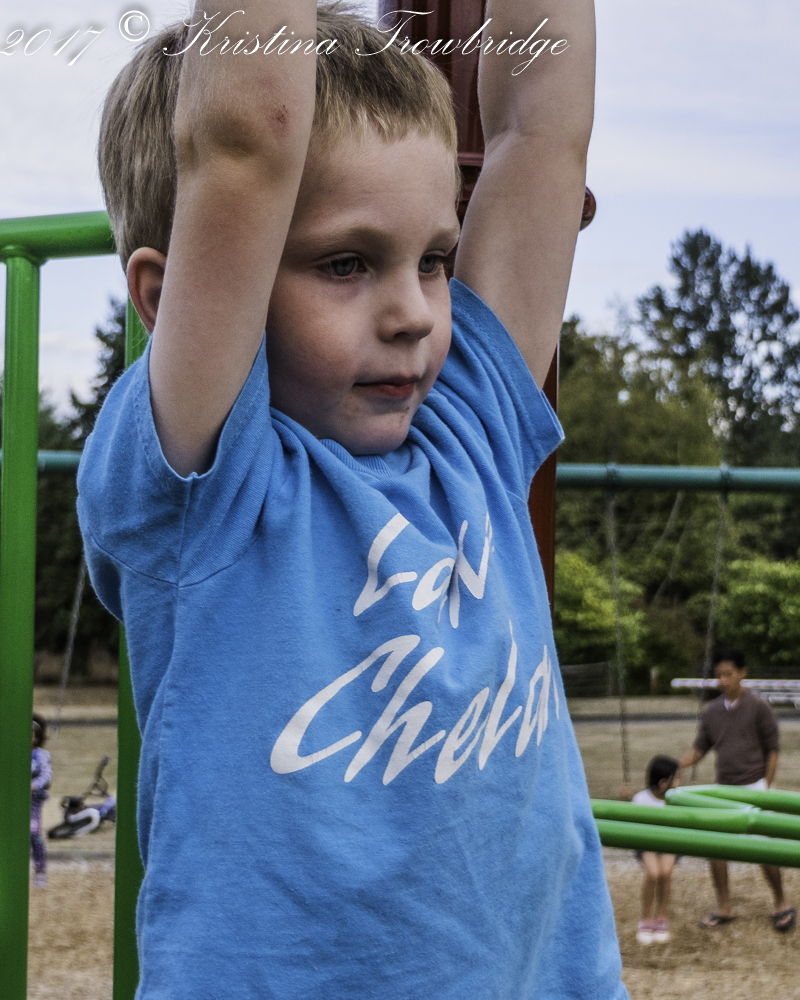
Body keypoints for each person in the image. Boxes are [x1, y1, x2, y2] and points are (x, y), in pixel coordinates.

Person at [78, 2, 628, 997]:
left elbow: (540, 132)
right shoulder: (209, 490)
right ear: (165, 299)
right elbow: (246, 141)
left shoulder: (472, 433)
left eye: (434, 260)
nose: (413, 313)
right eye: (346, 263)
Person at [680, 648, 796, 933]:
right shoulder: (711, 711)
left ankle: (781, 903)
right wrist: (677, 766)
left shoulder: (759, 707)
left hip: (755, 785)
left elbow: (773, 749)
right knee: (716, 847)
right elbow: (700, 748)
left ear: (742, 673)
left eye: (728, 674)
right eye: (719, 675)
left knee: (764, 848)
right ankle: (724, 907)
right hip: (725, 787)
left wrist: (766, 786)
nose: (723, 680)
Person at [631, 755, 680, 945]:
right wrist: (623, 800)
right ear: (662, 783)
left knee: (665, 873)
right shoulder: (641, 799)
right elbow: (632, 824)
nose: (678, 783)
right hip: (647, 844)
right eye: (675, 779)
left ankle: (660, 917)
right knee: (653, 874)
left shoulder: (677, 800)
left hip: (669, 842)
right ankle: (646, 919)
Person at [31, 713, 52, 888]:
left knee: (34, 833)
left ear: (37, 738)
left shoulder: (41, 755)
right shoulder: (16, 754)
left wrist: (34, 785)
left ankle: (40, 871)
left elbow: (46, 775)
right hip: (17, 800)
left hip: (34, 800)